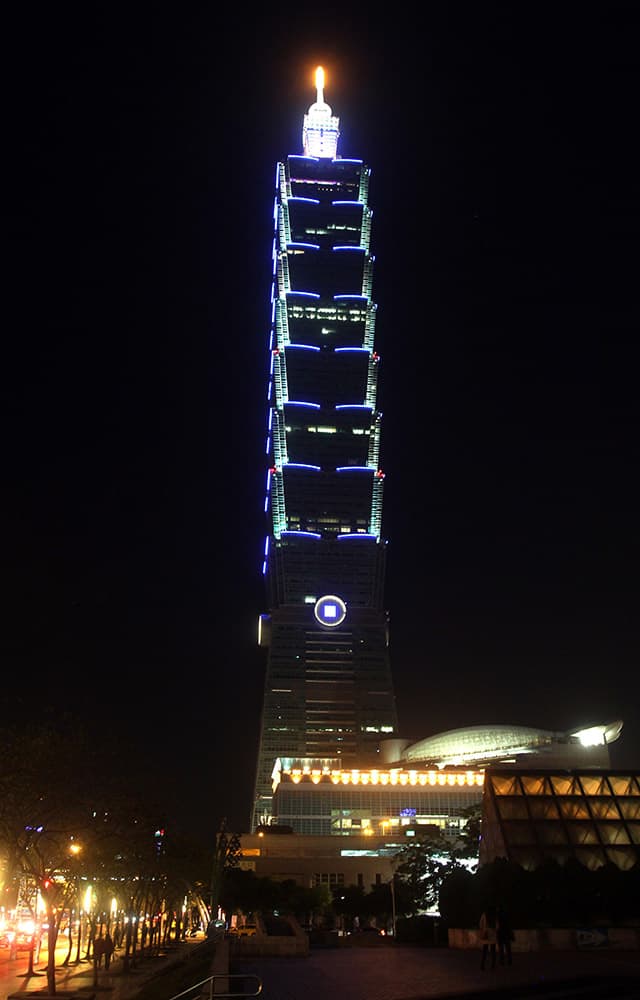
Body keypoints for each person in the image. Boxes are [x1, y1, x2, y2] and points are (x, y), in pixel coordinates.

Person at [478, 904, 497, 970]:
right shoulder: (494, 915)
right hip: (493, 935)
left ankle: (482, 965)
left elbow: (480, 923)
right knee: (493, 951)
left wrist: (483, 929)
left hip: (486, 934)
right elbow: (498, 926)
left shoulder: (484, 914)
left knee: (484, 951)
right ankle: (493, 966)